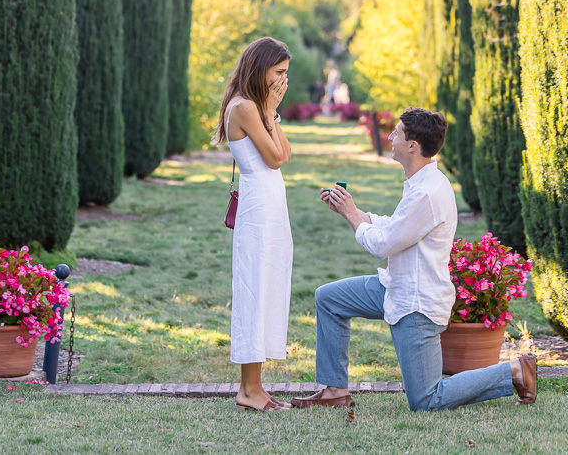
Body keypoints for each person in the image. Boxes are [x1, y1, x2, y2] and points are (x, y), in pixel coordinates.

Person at [291, 107, 537, 412]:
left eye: (397, 133)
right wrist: (354, 212)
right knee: (329, 298)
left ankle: (513, 371)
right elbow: (397, 227)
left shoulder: (428, 193)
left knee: (426, 398)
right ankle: (334, 390)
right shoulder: (421, 184)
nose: (391, 137)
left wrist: (353, 215)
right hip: (395, 287)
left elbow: (383, 244)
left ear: (412, 146)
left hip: (416, 303)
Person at [212, 37, 295, 412]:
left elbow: (286, 152)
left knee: (268, 289)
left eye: (286, 74)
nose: (282, 81)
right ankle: (248, 390)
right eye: (278, 73)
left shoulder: (258, 108)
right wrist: (270, 110)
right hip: (258, 211)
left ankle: (256, 387)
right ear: (259, 68)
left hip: (270, 208)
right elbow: (276, 158)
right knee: (254, 292)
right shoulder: (245, 107)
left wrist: (273, 113)